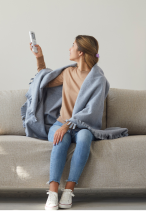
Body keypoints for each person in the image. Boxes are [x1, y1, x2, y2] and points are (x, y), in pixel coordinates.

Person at [30, 35, 102, 210]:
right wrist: (39, 58)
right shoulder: (68, 73)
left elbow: (91, 111)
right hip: (60, 123)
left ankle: (69, 190)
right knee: (60, 138)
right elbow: (43, 82)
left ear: (81, 52)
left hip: (84, 126)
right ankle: (53, 191)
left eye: (72, 46)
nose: (69, 49)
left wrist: (67, 125)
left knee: (84, 138)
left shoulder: (98, 79)